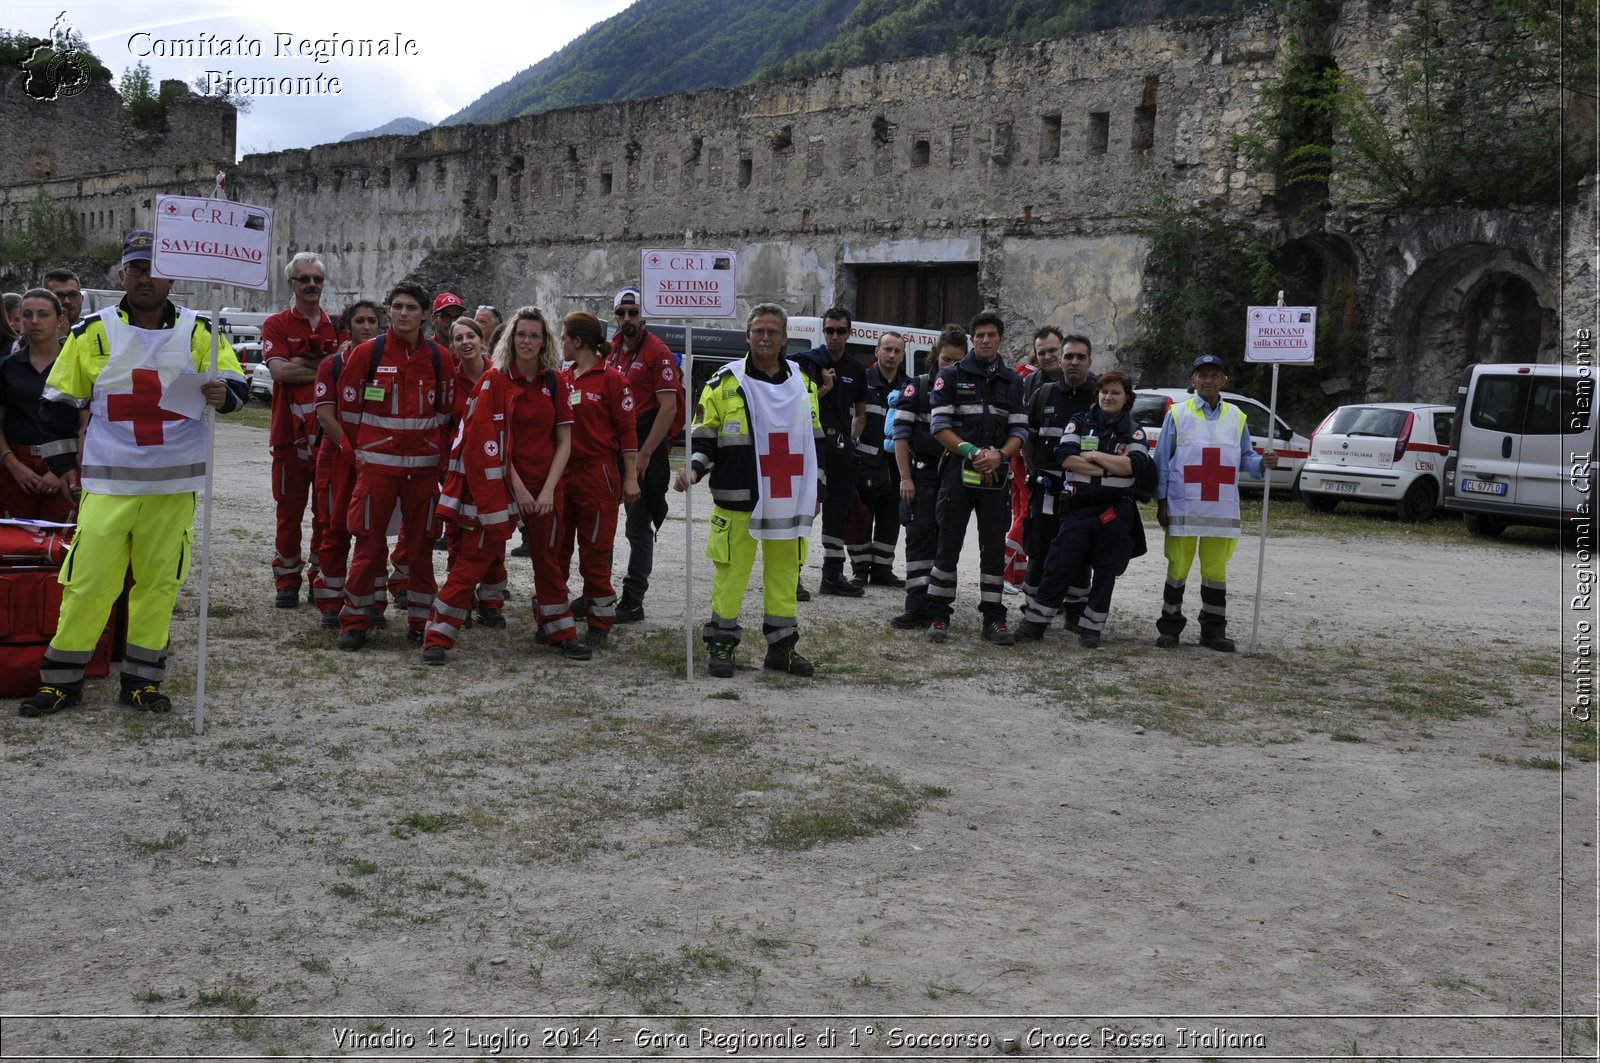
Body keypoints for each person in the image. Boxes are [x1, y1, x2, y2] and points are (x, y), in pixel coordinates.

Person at [18, 229, 249, 716]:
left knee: (159, 585)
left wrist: (223, 395)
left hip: (173, 484)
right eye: (137, 269)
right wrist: (62, 467)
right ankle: (62, 681)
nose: (146, 278)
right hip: (108, 482)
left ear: (171, 276)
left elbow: (233, 383)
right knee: (88, 582)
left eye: (155, 269)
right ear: (122, 274)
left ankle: (142, 681)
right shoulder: (92, 331)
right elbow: (57, 403)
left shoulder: (200, 328)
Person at [428, 306, 589, 661]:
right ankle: (437, 637)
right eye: (520, 334)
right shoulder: (494, 381)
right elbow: (484, 444)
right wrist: (517, 488)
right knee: (474, 559)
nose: (526, 341)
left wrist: (547, 490)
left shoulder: (556, 381)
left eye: (534, 335)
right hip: (502, 485)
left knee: (549, 562)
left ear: (544, 340)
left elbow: (565, 441)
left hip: (546, 487)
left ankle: (558, 632)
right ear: (510, 338)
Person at [675, 302, 820, 678]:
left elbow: (815, 446)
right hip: (737, 501)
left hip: (786, 500)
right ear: (748, 336)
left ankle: (782, 648)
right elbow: (702, 441)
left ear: (785, 337)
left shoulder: (804, 386)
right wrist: (692, 471)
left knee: (785, 575)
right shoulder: (723, 384)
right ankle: (721, 645)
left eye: (773, 331)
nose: (766, 338)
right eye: (759, 331)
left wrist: (816, 490)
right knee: (731, 576)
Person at [333, 282, 453, 650]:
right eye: (397, 306)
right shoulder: (367, 354)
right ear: (389, 311)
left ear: (424, 315)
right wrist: (366, 454)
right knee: (368, 547)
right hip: (378, 471)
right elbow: (348, 413)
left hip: (423, 472)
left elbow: (446, 414)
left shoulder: (439, 357)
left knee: (421, 547)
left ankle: (420, 621)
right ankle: (355, 621)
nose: (403, 313)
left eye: (411, 308)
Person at [1152, 354, 1278, 652]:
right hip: (1183, 504)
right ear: (1192, 380)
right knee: (1178, 568)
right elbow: (1162, 461)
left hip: (1220, 508)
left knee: (1215, 571)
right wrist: (1161, 501)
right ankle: (1170, 628)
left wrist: (1263, 463)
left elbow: (1245, 457)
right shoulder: (1177, 414)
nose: (1208, 380)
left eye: (1214, 375)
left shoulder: (1237, 416)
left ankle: (1214, 630)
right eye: (1202, 375)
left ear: (1224, 380)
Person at [1016, 370, 1149, 647]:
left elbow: (1134, 464)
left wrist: (1094, 455)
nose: (1108, 396)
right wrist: (1107, 469)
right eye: (1104, 391)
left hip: (1115, 510)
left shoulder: (1134, 430)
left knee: (1105, 570)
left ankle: (1091, 630)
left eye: (1115, 392)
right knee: (1058, 563)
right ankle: (1035, 624)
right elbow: (1065, 458)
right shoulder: (1079, 422)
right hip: (1079, 507)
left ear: (1127, 398)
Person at [925, 310, 1028, 645]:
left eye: (991, 335)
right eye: (979, 335)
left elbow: (1019, 431)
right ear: (972, 337)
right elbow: (939, 426)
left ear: (1001, 339)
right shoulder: (951, 376)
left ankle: (994, 617)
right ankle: (938, 613)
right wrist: (972, 452)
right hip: (958, 473)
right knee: (948, 545)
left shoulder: (1013, 382)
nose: (985, 340)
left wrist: (999, 455)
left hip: (995, 476)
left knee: (993, 549)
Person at [556, 310, 638, 647]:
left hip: (598, 473)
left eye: (563, 337)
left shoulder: (612, 380)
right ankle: (553, 619)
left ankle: (600, 622)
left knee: (595, 550)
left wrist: (630, 477)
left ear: (578, 341)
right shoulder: (562, 379)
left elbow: (628, 432)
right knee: (556, 549)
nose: (560, 343)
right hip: (564, 473)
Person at [262, 252, 339, 609]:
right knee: (288, 513)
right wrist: (326, 369)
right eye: (304, 279)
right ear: (291, 283)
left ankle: (320, 579)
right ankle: (287, 580)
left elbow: (347, 371)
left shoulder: (335, 325)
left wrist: (302, 365)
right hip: (287, 436)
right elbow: (279, 373)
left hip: (327, 438)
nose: (311, 285)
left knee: (326, 514)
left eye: (317, 279)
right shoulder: (276, 324)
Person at [605, 286, 683, 623]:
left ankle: (633, 599)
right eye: (621, 313)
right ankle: (596, 593)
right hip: (614, 448)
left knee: (637, 528)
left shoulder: (658, 352)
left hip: (643, 448)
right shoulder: (613, 350)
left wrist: (645, 454)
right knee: (601, 522)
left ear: (644, 315)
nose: (627, 319)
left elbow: (669, 408)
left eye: (633, 312)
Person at [310, 299, 386, 629]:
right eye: (360, 321)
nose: (367, 326)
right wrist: (352, 448)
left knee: (374, 533)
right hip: (339, 456)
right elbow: (326, 416)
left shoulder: (386, 365)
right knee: (334, 529)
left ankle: (371, 602)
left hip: (375, 459)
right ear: (347, 327)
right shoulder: (332, 364)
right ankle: (330, 600)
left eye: (372, 321)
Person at [890, 326, 966, 629]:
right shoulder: (918, 387)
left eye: (958, 361)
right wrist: (905, 478)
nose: (951, 366)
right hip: (921, 476)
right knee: (919, 539)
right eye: (947, 359)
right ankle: (916, 606)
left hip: (953, 475)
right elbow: (901, 435)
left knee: (946, 543)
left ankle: (939, 611)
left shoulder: (967, 389)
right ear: (937, 355)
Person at [1019, 332, 1098, 620]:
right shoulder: (1044, 394)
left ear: (1090, 360)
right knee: (1040, 546)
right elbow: (1028, 435)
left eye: (1080, 357)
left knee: (1081, 550)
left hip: (1085, 488)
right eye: (1068, 356)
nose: (1073, 362)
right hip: (1047, 487)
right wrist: (1033, 467)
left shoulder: (1101, 395)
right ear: (1061, 361)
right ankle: (1034, 606)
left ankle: (1075, 611)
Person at [789, 305, 865, 598]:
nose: (834, 336)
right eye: (830, 330)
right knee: (805, 510)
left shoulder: (857, 369)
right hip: (812, 444)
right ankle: (791, 575)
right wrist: (823, 389)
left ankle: (832, 577)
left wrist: (854, 440)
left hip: (842, 449)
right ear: (824, 332)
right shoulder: (805, 363)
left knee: (837, 514)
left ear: (849, 332)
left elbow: (860, 414)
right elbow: (795, 405)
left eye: (840, 331)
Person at [440, 316, 508, 627]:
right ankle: (462, 600)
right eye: (458, 338)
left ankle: (491, 601)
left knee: (494, 535)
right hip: (458, 473)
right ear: (452, 346)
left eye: (471, 336)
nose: (465, 342)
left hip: (495, 471)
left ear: (482, 340)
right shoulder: (448, 381)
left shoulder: (501, 375)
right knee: (458, 536)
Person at [0, 289, 76, 523]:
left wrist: (60, 468)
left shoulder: (78, 366)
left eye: (43, 314)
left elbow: (90, 422)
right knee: (17, 544)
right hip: (17, 464)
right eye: (27, 315)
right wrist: (13, 465)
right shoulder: (7, 367)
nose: (34, 321)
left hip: (67, 464)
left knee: (62, 541)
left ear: (60, 318)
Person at [847, 331, 908, 587]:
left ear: (903, 355)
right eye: (887, 349)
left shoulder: (909, 386)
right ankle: (860, 569)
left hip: (895, 466)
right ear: (877, 351)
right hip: (864, 464)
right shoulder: (862, 380)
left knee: (891, 517)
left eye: (897, 351)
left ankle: (883, 569)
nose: (892, 355)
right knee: (861, 515)